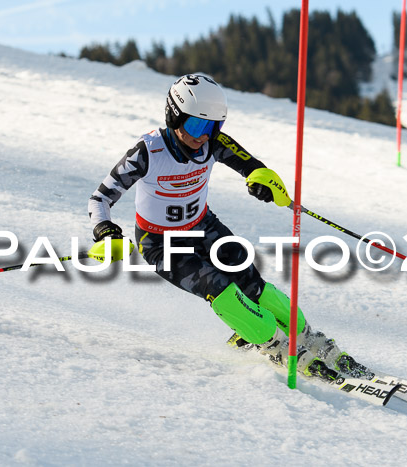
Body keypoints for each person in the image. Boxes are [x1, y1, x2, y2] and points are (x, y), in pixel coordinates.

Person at [88, 74, 368, 382]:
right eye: (197, 126)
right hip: (160, 243)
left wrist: (262, 181)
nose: (205, 136)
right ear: (174, 115)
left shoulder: (214, 144)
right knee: (218, 288)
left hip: (203, 227)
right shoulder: (147, 152)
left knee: (253, 284)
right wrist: (106, 232)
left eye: (214, 127)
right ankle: (271, 342)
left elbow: (253, 167)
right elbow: (101, 198)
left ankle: (305, 336)